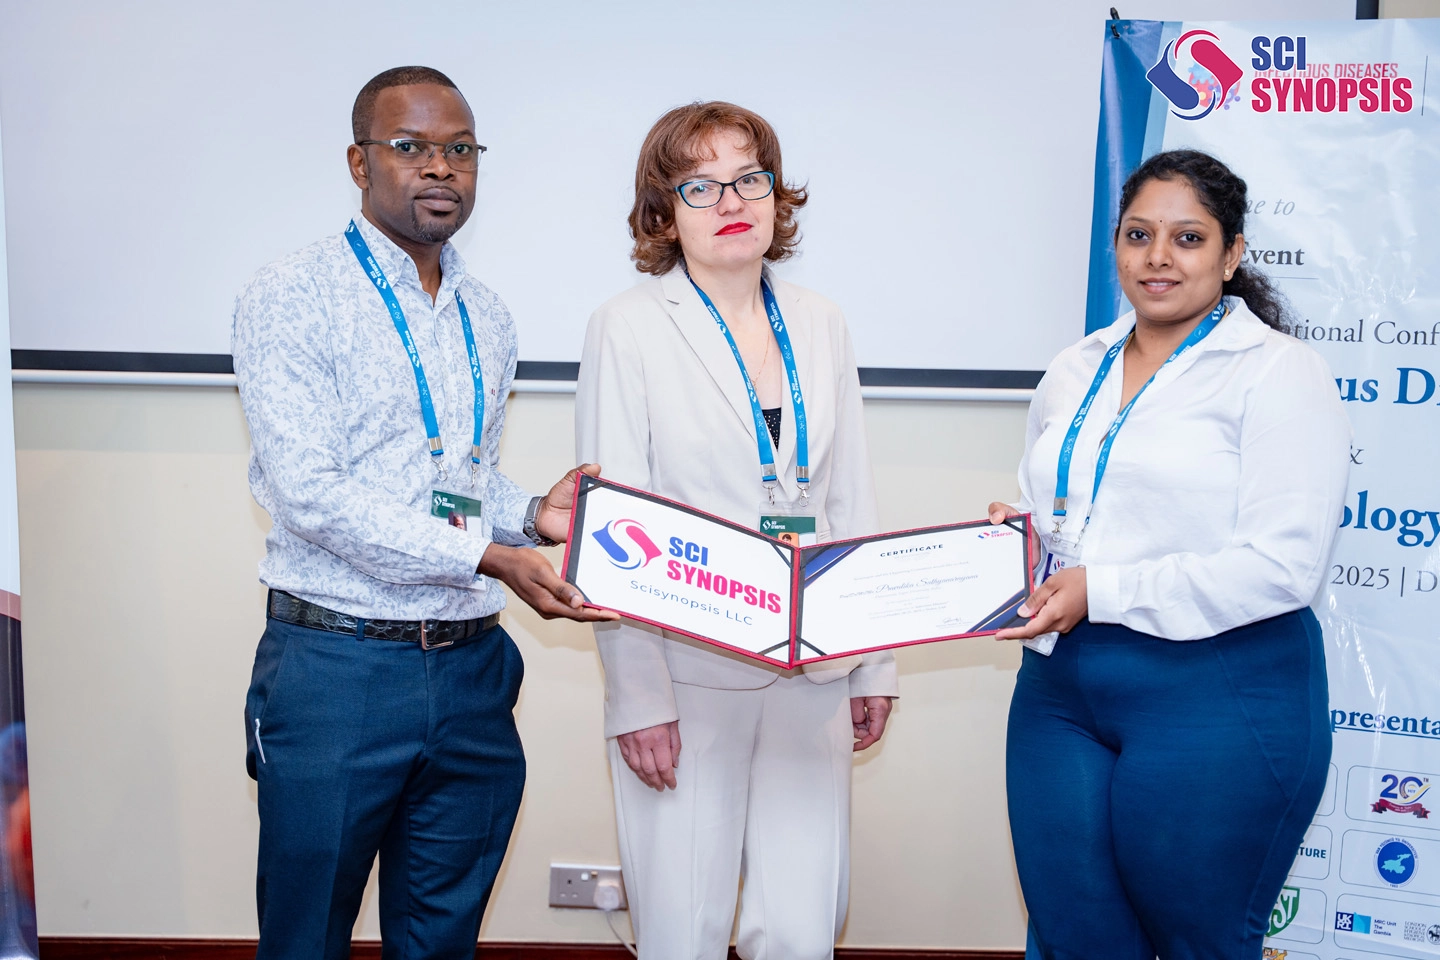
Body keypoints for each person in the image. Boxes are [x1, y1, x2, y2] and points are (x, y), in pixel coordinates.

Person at [232, 66, 615, 960]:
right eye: (411, 147)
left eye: (460, 150)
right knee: (305, 939)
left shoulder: (487, 314)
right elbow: (310, 492)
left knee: (441, 940)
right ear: (359, 162)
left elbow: (456, 484)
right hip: (339, 670)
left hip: (474, 674)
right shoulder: (292, 293)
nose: (440, 167)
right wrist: (487, 557)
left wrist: (535, 516)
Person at [989, 149, 1349, 958]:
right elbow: (1079, 513)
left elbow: (1282, 565)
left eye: (1188, 238)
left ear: (1231, 253)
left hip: (1218, 690)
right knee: (1074, 937)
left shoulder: (1279, 373)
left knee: (1200, 941)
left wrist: (1101, 588)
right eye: (1138, 234)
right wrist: (1022, 536)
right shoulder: (1075, 367)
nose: (1158, 257)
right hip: (1059, 691)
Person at [574, 101, 897, 960]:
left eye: (749, 178)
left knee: (800, 929)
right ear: (663, 211)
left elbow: (850, 498)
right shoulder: (627, 326)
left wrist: (873, 663)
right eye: (700, 185)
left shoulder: (821, 321)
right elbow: (613, 530)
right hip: (687, 675)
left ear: (776, 196)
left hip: (813, 672)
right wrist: (638, 697)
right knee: (682, 930)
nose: (731, 201)